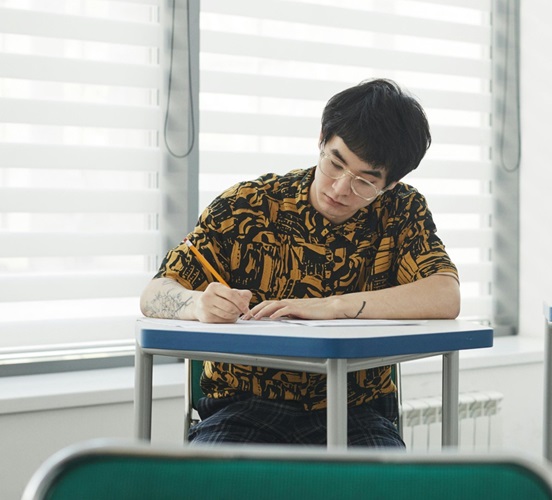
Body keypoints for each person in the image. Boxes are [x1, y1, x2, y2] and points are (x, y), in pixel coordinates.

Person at [140, 78, 460, 448]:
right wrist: (195, 304)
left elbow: (445, 295)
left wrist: (334, 306)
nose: (340, 188)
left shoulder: (401, 210)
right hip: (242, 406)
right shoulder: (248, 206)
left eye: (365, 182)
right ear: (322, 139)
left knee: (392, 488)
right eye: (335, 163)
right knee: (203, 483)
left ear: (390, 184)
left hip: (357, 410)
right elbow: (154, 294)